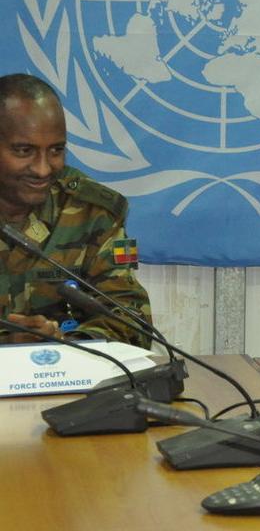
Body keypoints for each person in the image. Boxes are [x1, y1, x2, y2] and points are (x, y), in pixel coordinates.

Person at [0, 73, 152, 347]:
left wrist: (66, 345)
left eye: (56, 150)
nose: (43, 169)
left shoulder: (92, 212)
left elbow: (133, 319)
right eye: (24, 151)